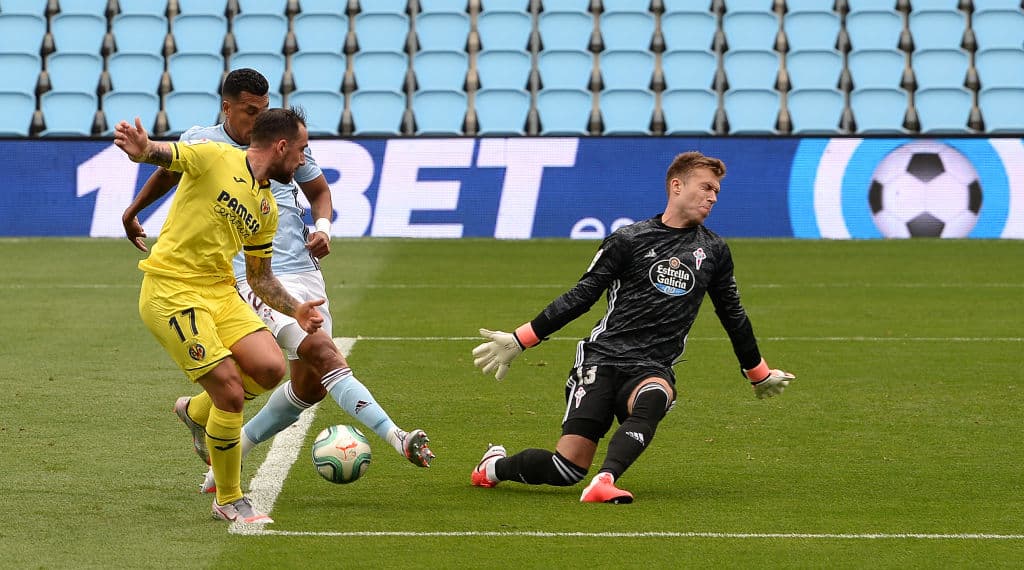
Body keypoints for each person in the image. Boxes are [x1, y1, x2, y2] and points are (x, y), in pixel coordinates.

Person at [122, 69, 434, 498]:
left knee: (302, 381)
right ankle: (395, 436)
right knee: (314, 355)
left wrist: (323, 226)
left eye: (263, 111)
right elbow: (167, 165)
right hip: (224, 280)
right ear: (228, 108)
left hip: (294, 269)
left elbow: (319, 192)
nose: (258, 119)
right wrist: (134, 203)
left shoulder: (275, 176)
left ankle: (204, 419)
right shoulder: (208, 146)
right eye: (251, 111)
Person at [469, 151, 795, 504]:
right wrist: (521, 338)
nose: (713, 197)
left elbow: (733, 314)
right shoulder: (628, 240)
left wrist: (758, 373)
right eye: (706, 187)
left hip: (651, 366)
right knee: (566, 470)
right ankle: (493, 467)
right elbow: (582, 295)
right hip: (600, 360)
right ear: (676, 185)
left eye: (716, 191)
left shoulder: (713, 250)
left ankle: (605, 480)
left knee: (655, 395)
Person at [114, 107, 323, 524]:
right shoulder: (211, 155)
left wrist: (295, 308)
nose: (302, 160)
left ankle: (195, 412)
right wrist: (143, 150)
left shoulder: (267, 206)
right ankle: (229, 498)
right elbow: (165, 155)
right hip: (171, 289)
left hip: (219, 291)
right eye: (300, 150)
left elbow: (260, 279)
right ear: (281, 146)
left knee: (268, 368)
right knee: (229, 389)